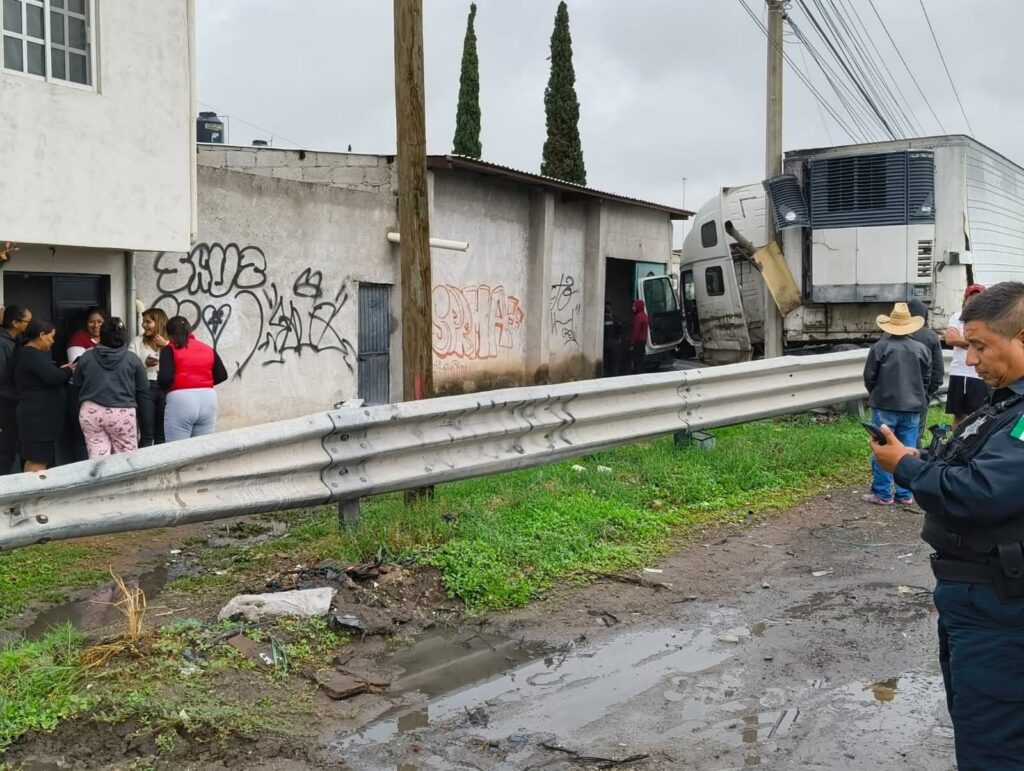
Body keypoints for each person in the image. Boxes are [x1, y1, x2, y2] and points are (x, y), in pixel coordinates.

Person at [870, 281, 1024, 770]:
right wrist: (920, 459)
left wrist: (906, 468)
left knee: (993, 744)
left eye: (980, 346)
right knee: (980, 725)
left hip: (1000, 608)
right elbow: (977, 465)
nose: (971, 360)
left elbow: (981, 493)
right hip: (980, 599)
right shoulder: (1006, 404)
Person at [861, 302, 931, 505]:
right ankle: (905, 493)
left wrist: (876, 393)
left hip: (885, 404)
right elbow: (927, 378)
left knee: (883, 447)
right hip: (913, 406)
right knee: (908, 449)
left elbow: (869, 377)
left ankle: (883, 493)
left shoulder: (880, 347)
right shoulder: (921, 348)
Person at [73, 318, 152, 459]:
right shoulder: (132, 359)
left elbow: (76, 386)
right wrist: (147, 431)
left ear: (101, 335)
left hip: (91, 412)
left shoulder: (86, 357)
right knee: (126, 461)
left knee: (98, 461)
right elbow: (144, 393)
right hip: (122, 413)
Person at [15, 319, 74, 472]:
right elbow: (53, 377)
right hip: (38, 422)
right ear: (42, 335)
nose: (53, 341)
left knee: (38, 459)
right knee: (37, 461)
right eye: (51, 336)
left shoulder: (29, 354)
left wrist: (61, 370)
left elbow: (48, 374)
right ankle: (33, 488)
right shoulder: (31, 354)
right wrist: (69, 370)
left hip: (40, 421)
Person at [158, 316, 228, 441]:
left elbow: (165, 378)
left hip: (180, 400)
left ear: (169, 335)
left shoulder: (169, 349)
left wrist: (166, 389)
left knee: (177, 448)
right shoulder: (207, 348)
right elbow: (222, 375)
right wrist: (203, 382)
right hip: (208, 398)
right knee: (203, 447)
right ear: (189, 330)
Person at [946, 284, 990, 429]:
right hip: (960, 372)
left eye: (979, 297)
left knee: (979, 415)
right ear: (965, 298)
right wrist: (976, 343)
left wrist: (963, 341)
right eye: (971, 297)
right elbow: (950, 339)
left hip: (981, 375)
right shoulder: (957, 317)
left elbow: (989, 343)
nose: (974, 300)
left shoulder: (990, 320)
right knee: (959, 416)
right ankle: (954, 442)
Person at [908, 298, 946, 448]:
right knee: (914, 433)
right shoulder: (930, 336)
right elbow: (938, 370)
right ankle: (912, 461)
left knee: (889, 434)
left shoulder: (889, 335)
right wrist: (928, 392)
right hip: (920, 394)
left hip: (892, 397)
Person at [129, 308, 168, 446]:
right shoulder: (137, 341)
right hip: (145, 388)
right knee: (147, 434)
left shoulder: (170, 342)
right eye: (143, 322)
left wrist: (166, 345)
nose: (144, 325)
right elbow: (129, 365)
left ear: (159, 323)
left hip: (166, 388)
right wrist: (144, 364)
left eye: (148, 322)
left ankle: (162, 460)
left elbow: (181, 360)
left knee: (162, 435)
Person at [0, 304, 30, 474]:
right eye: (27, 321)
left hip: (14, 404)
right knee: (5, 452)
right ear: (15, 323)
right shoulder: (2, 344)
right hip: (5, 405)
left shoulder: (17, 342)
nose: (30, 325)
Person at [628, 298, 649, 374]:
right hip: (643, 341)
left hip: (637, 342)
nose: (633, 308)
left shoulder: (638, 317)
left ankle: (637, 374)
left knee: (636, 360)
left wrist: (631, 343)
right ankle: (641, 373)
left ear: (638, 306)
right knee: (641, 359)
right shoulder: (645, 315)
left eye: (634, 306)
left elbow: (636, 331)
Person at [602, 302, 623, 377]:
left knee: (606, 363)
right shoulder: (616, 319)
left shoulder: (601, 320)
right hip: (614, 344)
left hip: (605, 344)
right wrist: (618, 342)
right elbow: (620, 332)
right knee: (614, 364)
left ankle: (607, 376)